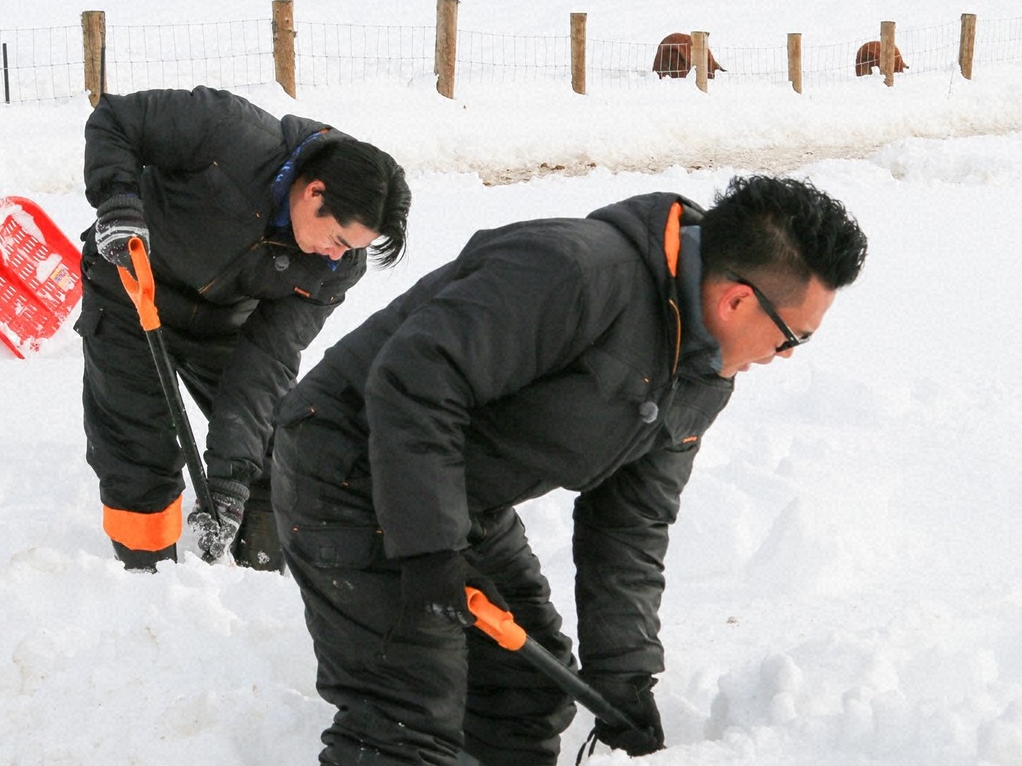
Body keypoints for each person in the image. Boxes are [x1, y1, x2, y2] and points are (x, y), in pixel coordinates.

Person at [269, 174, 868, 764]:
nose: (785, 356)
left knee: (525, 692)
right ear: (737, 300)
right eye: (794, 337)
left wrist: (624, 674)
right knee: (409, 709)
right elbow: (415, 379)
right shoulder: (574, 273)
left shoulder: (703, 372)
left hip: (458, 496)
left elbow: (631, 522)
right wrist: (429, 550)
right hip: (345, 461)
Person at [78, 86, 411, 573]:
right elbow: (118, 121)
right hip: (131, 286)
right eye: (338, 239)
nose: (338, 255)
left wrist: (230, 479)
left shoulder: (335, 265)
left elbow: (268, 359)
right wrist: (118, 203)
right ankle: (145, 575)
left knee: (274, 446)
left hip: (221, 320)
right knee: (137, 442)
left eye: (351, 249)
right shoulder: (226, 131)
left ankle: (258, 567)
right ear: (314, 192)